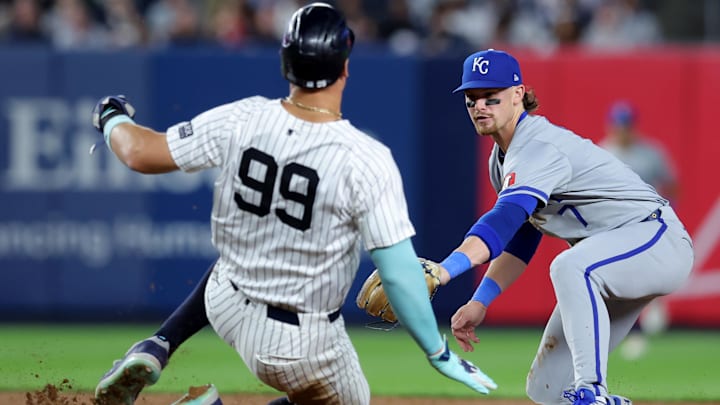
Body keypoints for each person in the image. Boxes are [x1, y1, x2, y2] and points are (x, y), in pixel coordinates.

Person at [91, 3, 497, 405]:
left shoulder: (244, 117)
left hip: (224, 301)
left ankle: (160, 342)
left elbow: (141, 153)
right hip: (297, 342)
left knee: (245, 253)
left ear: (286, 63)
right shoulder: (364, 158)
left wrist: (111, 117)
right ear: (345, 67)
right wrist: (438, 352)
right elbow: (398, 275)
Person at [433, 49, 694, 405]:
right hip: (612, 260)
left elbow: (502, 221)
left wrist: (446, 270)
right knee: (546, 390)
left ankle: (592, 391)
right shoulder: (502, 159)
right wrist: (481, 300)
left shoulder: (537, 147)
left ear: (518, 94)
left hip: (656, 240)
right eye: (471, 99)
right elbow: (521, 237)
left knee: (571, 265)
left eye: (490, 97)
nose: (480, 107)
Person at [600, 99, 680, 360]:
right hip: (616, 227)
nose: (622, 130)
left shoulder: (650, 153)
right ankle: (634, 326)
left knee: (643, 273)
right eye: (618, 124)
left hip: (648, 224)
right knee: (619, 280)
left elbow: (671, 185)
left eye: (626, 124)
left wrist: (669, 213)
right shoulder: (603, 152)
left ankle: (653, 301)